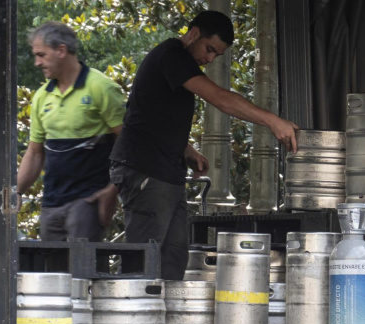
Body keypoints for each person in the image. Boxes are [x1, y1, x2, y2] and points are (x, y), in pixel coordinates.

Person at [109, 10, 299, 280]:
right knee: (144, 262)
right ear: (194, 33)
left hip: (168, 172)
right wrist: (270, 120)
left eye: (216, 56)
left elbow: (148, 113)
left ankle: (165, 319)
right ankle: (127, 317)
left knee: (173, 258)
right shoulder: (171, 54)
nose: (209, 59)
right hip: (146, 169)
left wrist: (187, 150)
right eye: (210, 49)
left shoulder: (176, 65)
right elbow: (219, 98)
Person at [19, 21, 126, 242]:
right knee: (50, 272)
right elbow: (35, 153)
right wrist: (17, 192)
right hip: (52, 203)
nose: (37, 63)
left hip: (89, 201)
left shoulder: (100, 88)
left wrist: (113, 189)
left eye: (41, 55)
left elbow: (129, 143)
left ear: (61, 51)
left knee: (81, 270)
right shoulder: (41, 97)